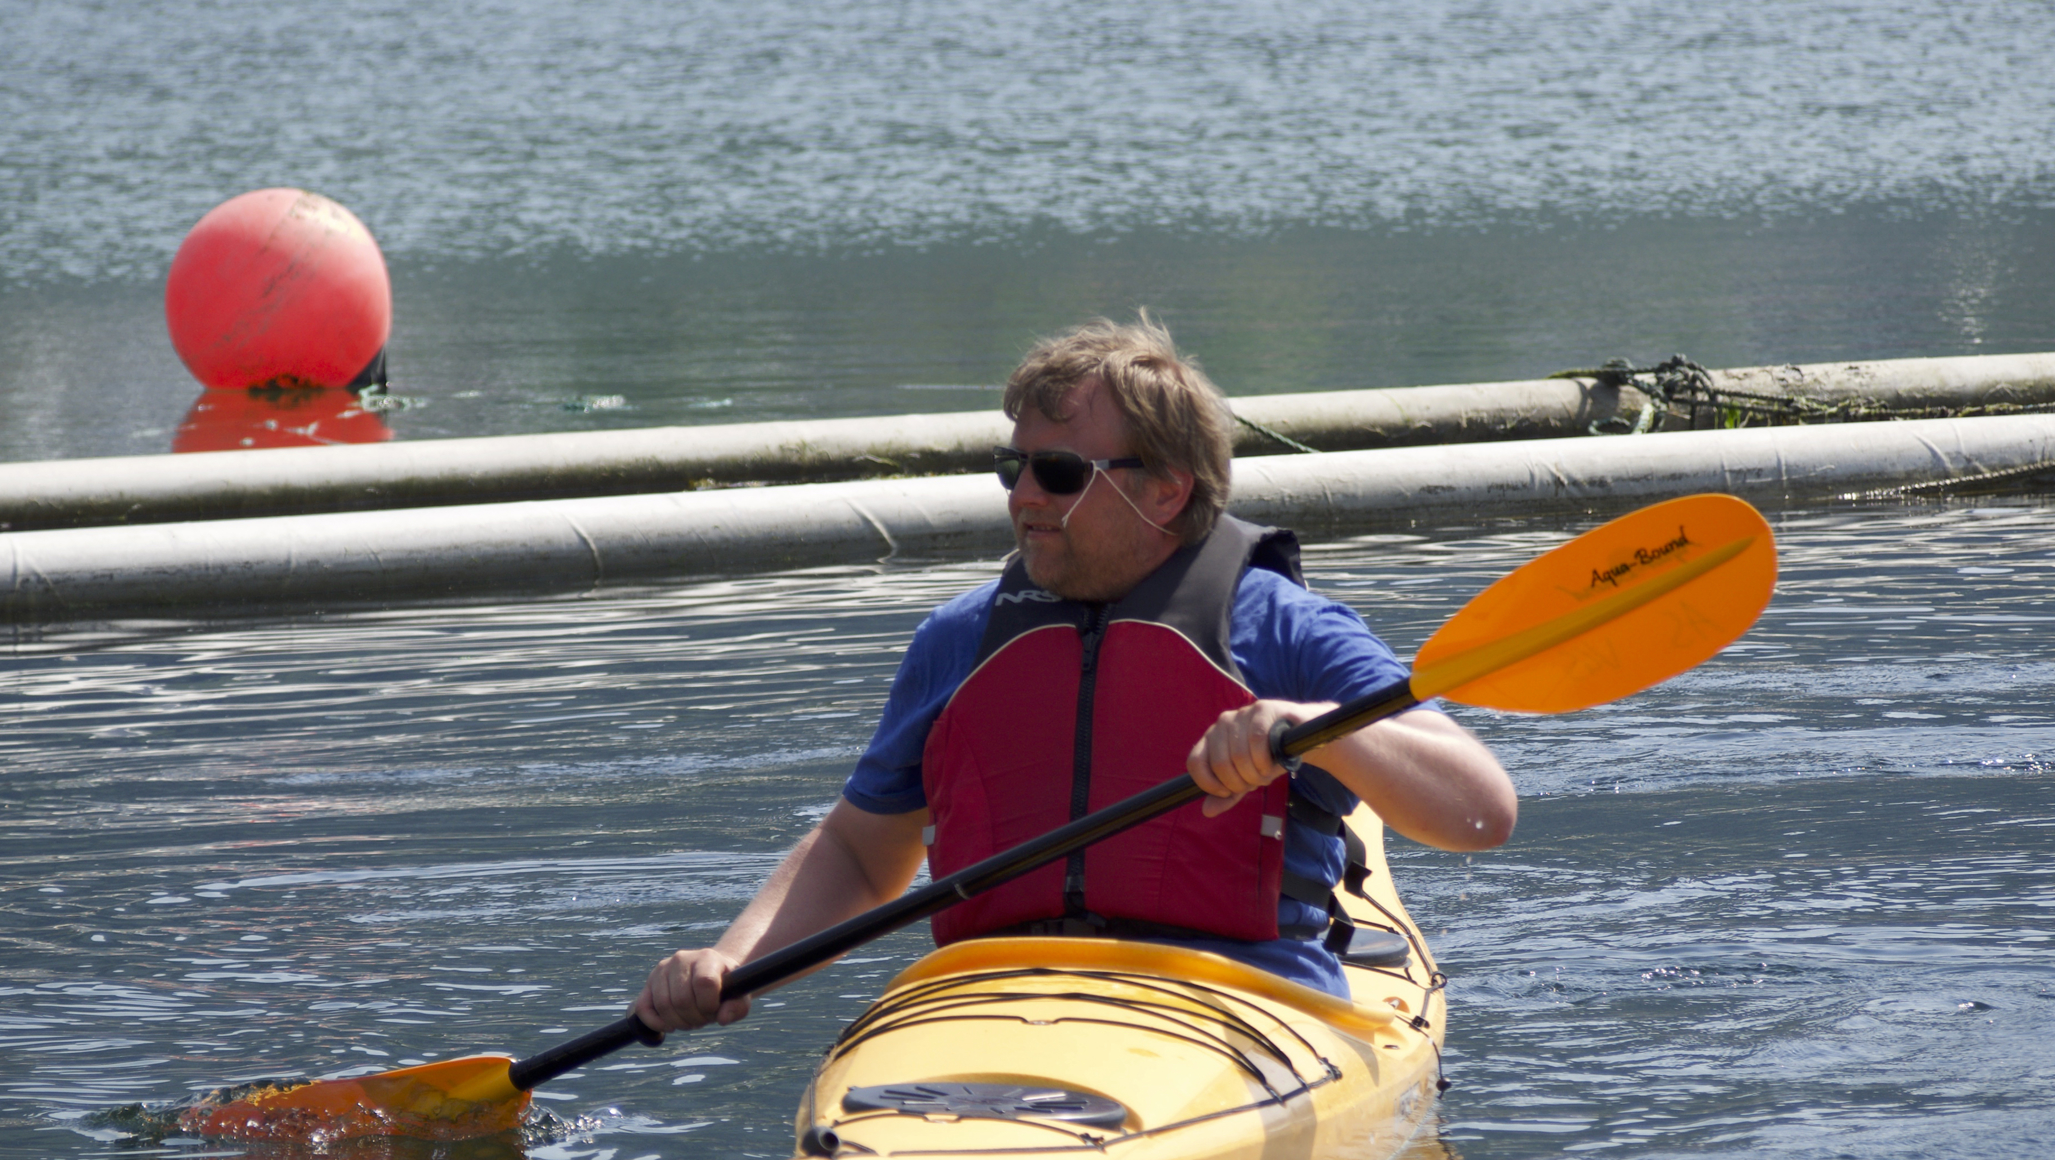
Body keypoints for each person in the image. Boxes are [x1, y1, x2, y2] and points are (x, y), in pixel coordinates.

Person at [634, 316, 1516, 1032]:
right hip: (984, 998)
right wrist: (731, 959)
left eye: (1059, 473)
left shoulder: (1285, 629)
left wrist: (1316, 729)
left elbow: (1482, 810)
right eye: (1013, 467)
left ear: (1166, 489)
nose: (1024, 496)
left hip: (1240, 998)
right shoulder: (959, 639)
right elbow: (862, 854)